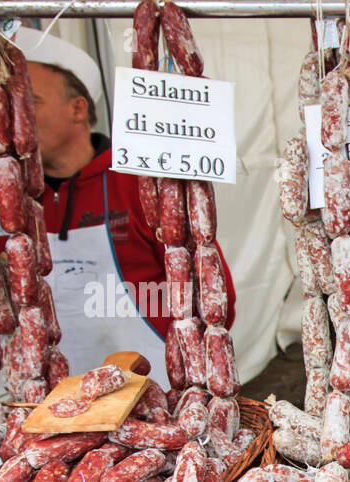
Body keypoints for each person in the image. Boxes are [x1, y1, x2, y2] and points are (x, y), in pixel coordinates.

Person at [16, 27, 237, 380]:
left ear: (77, 109)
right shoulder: (10, 202)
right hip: (51, 400)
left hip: (155, 391)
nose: (18, 116)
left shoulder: (138, 183)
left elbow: (216, 299)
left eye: (31, 102)